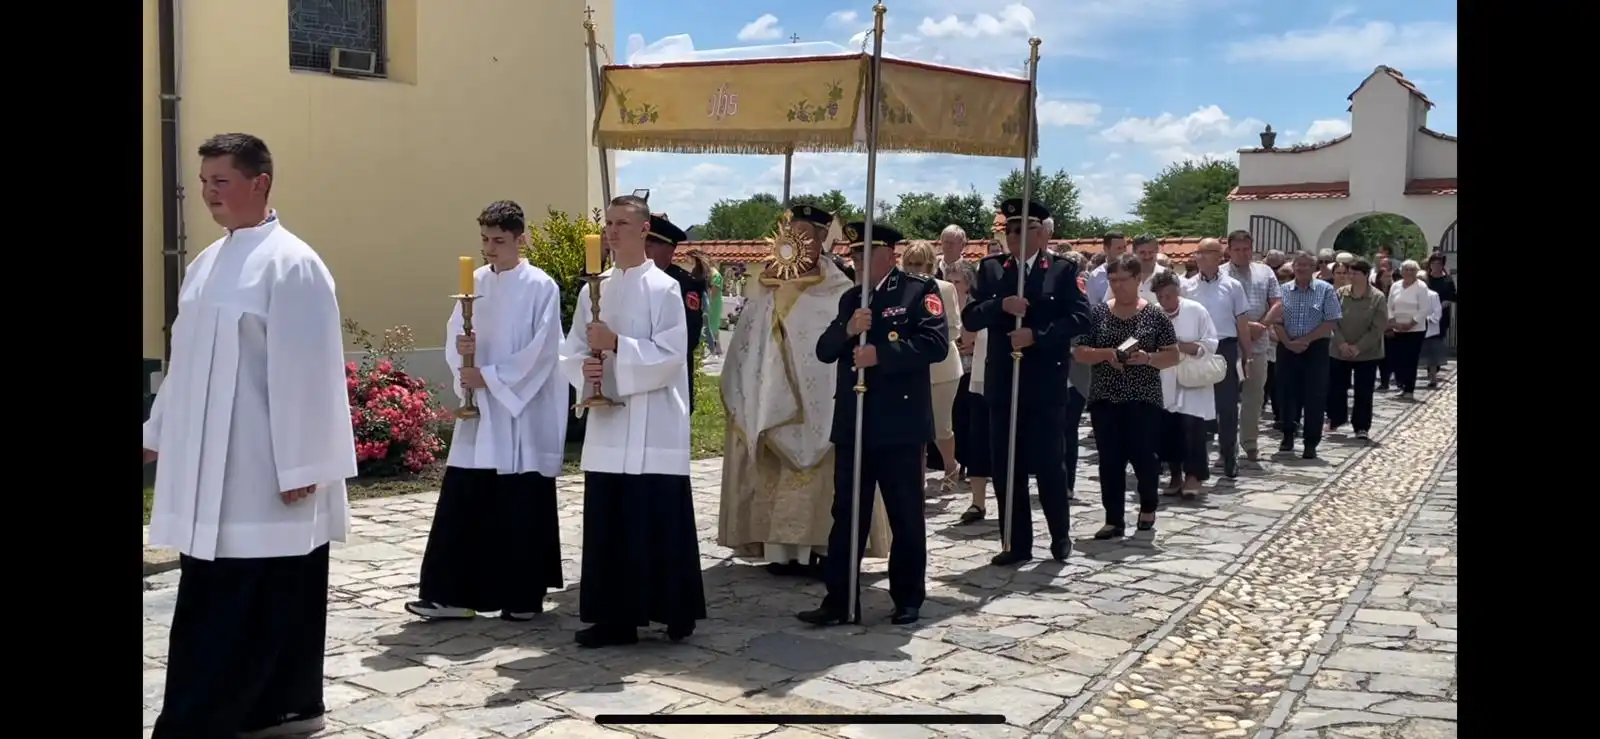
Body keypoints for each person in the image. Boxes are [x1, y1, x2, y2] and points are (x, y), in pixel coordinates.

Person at [145, 133, 357, 738]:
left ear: (259, 182)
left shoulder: (293, 262)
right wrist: (157, 430)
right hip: (208, 469)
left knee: (265, 593)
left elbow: (308, 371)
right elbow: (183, 362)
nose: (208, 193)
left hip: (261, 471)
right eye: (205, 181)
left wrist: (304, 466)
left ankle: (253, 712)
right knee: (216, 593)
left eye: (221, 181)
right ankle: (260, 710)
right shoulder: (205, 264)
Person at [406, 201, 567, 623]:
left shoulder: (540, 286)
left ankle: (522, 595)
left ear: (521, 239)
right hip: (479, 414)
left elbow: (543, 350)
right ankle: (451, 595)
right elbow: (454, 333)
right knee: (465, 498)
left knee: (519, 500)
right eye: (485, 240)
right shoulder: (473, 283)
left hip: (519, 413)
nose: (490, 249)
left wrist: (492, 377)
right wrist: (463, 359)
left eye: (499, 240)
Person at [558, 194, 705, 648]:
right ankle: (613, 618)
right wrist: (586, 368)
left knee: (657, 516)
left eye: (622, 223)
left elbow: (670, 355)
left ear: (644, 231)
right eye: (609, 224)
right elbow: (572, 350)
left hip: (654, 420)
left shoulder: (665, 289)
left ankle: (672, 609)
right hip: (609, 425)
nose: (613, 231)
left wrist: (618, 345)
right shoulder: (592, 289)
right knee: (611, 521)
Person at [719, 204, 890, 578]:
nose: (799, 243)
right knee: (776, 470)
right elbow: (749, 343)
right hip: (771, 401)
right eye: (792, 234)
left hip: (822, 401)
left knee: (828, 478)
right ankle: (781, 550)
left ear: (821, 242)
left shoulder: (840, 289)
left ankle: (827, 547)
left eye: (808, 236)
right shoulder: (765, 287)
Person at [798, 223, 945, 627]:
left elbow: (934, 344)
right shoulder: (851, 300)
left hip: (899, 424)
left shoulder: (919, 292)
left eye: (864, 253)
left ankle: (908, 597)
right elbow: (825, 350)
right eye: (854, 253)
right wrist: (848, 330)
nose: (856, 260)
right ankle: (840, 599)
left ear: (888, 254)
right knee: (846, 513)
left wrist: (881, 354)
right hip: (854, 423)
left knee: (905, 514)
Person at [961, 198, 1091, 566]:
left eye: (1025, 230)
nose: (1016, 237)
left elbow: (1081, 319)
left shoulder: (1062, 270)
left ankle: (1059, 534)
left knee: (1050, 463)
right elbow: (970, 317)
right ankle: (1015, 542)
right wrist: (1000, 306)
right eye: (1010, 230)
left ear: (1042, 233)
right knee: (1006, 466)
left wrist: (1038, 334)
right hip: (1003, 382)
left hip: (1045, 383)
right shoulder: (991, 270)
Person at [1074, 254, 1179, 543]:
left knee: (1144, 456)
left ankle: (1147, 508)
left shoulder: (1154, 315)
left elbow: (1172, 355)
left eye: (1123, 280)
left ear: (1137, 280)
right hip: (1105, 396)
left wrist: (1147, 358)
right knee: (1110, 460)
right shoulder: (1098, 314)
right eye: (1113, 280)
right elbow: (1080, 352)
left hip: (1143, 396)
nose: (1118, 286)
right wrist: (1106, 354)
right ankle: (1113, 519)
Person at [1180, 237, 1249, 478]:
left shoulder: (1233, 286)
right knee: (1193, 406)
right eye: (1197, 253)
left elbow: (1241, 323)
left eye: (1205, 253)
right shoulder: (1186, 286)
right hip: (1195, 350)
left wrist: (1246, 354)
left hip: (1225, 348)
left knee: (1227, 407)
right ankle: (1194, 463)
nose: (1199, 257)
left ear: (1219, 256)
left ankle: (1229, 455)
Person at [901, 242, 964, 492]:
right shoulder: (899, 289)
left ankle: (951, 465)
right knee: (913, 427)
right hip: (908, 367)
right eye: (910, 264)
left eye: (919, 264)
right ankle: (918, 477)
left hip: (942, 368)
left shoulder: (945, 289)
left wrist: (925, 340)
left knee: (940, 426)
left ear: (930, 265)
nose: (914, 269)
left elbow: (954, 328)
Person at [1272, 251, 1343, 459]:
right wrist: (1288, 342)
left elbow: (1331, 320)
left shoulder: (1325, 290)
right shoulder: (1283, 290)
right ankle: (1287, 434)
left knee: (1315, 395)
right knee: (1286, 392)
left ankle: (1311, 441)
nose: (1301, 268)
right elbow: (1276, 320)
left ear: (1314, 269)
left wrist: (1306, 340)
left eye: (1306, 265)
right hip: (1287, 346)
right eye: (1298, 265)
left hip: (1316, 348)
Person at [1155, 271, 1219, 499]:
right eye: (1161, 296)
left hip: (1192, 377)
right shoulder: (1153, 314)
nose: (1165, 300)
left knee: (1192, 426)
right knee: (1169, 427)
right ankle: (1174, 474)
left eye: (1169, 295)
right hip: (1165, 377)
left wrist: (1185, 347)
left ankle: (1194, 475)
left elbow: (1211, 341)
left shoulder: (1196, 310)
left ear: (1177, 291)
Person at [1222, 230, 1282, 463]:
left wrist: (1263, 325)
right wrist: (1243, 329)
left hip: (1258, 344)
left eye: (1246, 249)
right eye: (1237, 249)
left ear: (1252, 248)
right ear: (1229, 250)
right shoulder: (1220, 274)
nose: (1242, 253)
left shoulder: (1265, 272)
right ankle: (1226, 446)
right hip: (1230, 343)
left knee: (1254, 396)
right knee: (1226, 398)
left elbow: (1277, 302)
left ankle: (1249, 443)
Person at [644, 214, 704, 413]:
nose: (645, 250)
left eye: (651, 245)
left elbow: (690, 336)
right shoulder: (635, 279)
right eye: (643, 243)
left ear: (669, 250)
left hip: (672, 376)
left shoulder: (684, 284)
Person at [950, 268, 994, 524]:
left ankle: (1008, 499)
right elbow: (966, 337)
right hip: (979, 380)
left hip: (1005, 383)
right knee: (977, 442)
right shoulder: (977, 310)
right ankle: (978, 502)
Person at [1327, 258, 1387, 440]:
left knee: (1363, 391)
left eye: (1355, 273)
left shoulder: (1377, 297)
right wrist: (1342, 344)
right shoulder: (1340, 293)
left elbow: (1378, 327)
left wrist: (1358, 347)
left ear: (1366, 275)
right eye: (1349, 273)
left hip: (1367, 353)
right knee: (1336, 388)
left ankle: (1361, 427)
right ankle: (1336, 418)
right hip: (1340, 350)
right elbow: (1332, 320)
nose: (1350, 276)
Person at [1385, 259, 1430, 400]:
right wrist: (1393, 321)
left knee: (1410, 360)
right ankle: (1401, 386)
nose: (1409, 272)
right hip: (1397, 328)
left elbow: (1424, 309)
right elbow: (1389, 305)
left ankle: (1409, 389)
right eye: (1406, 269)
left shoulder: (1421, 287)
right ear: (1401, 271)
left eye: (1412, 270)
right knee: (1398, 359)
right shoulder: (1396, 285)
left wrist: (1411, 324)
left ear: (1416, 272)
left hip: (1415, 330)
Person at [1085, 231, 1126, 304]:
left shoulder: (1135, 271)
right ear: (1106, 249)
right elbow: (1092, 306)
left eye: (1124, 247)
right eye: (1119, 248)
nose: (1123, 251)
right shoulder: (1096, 276)